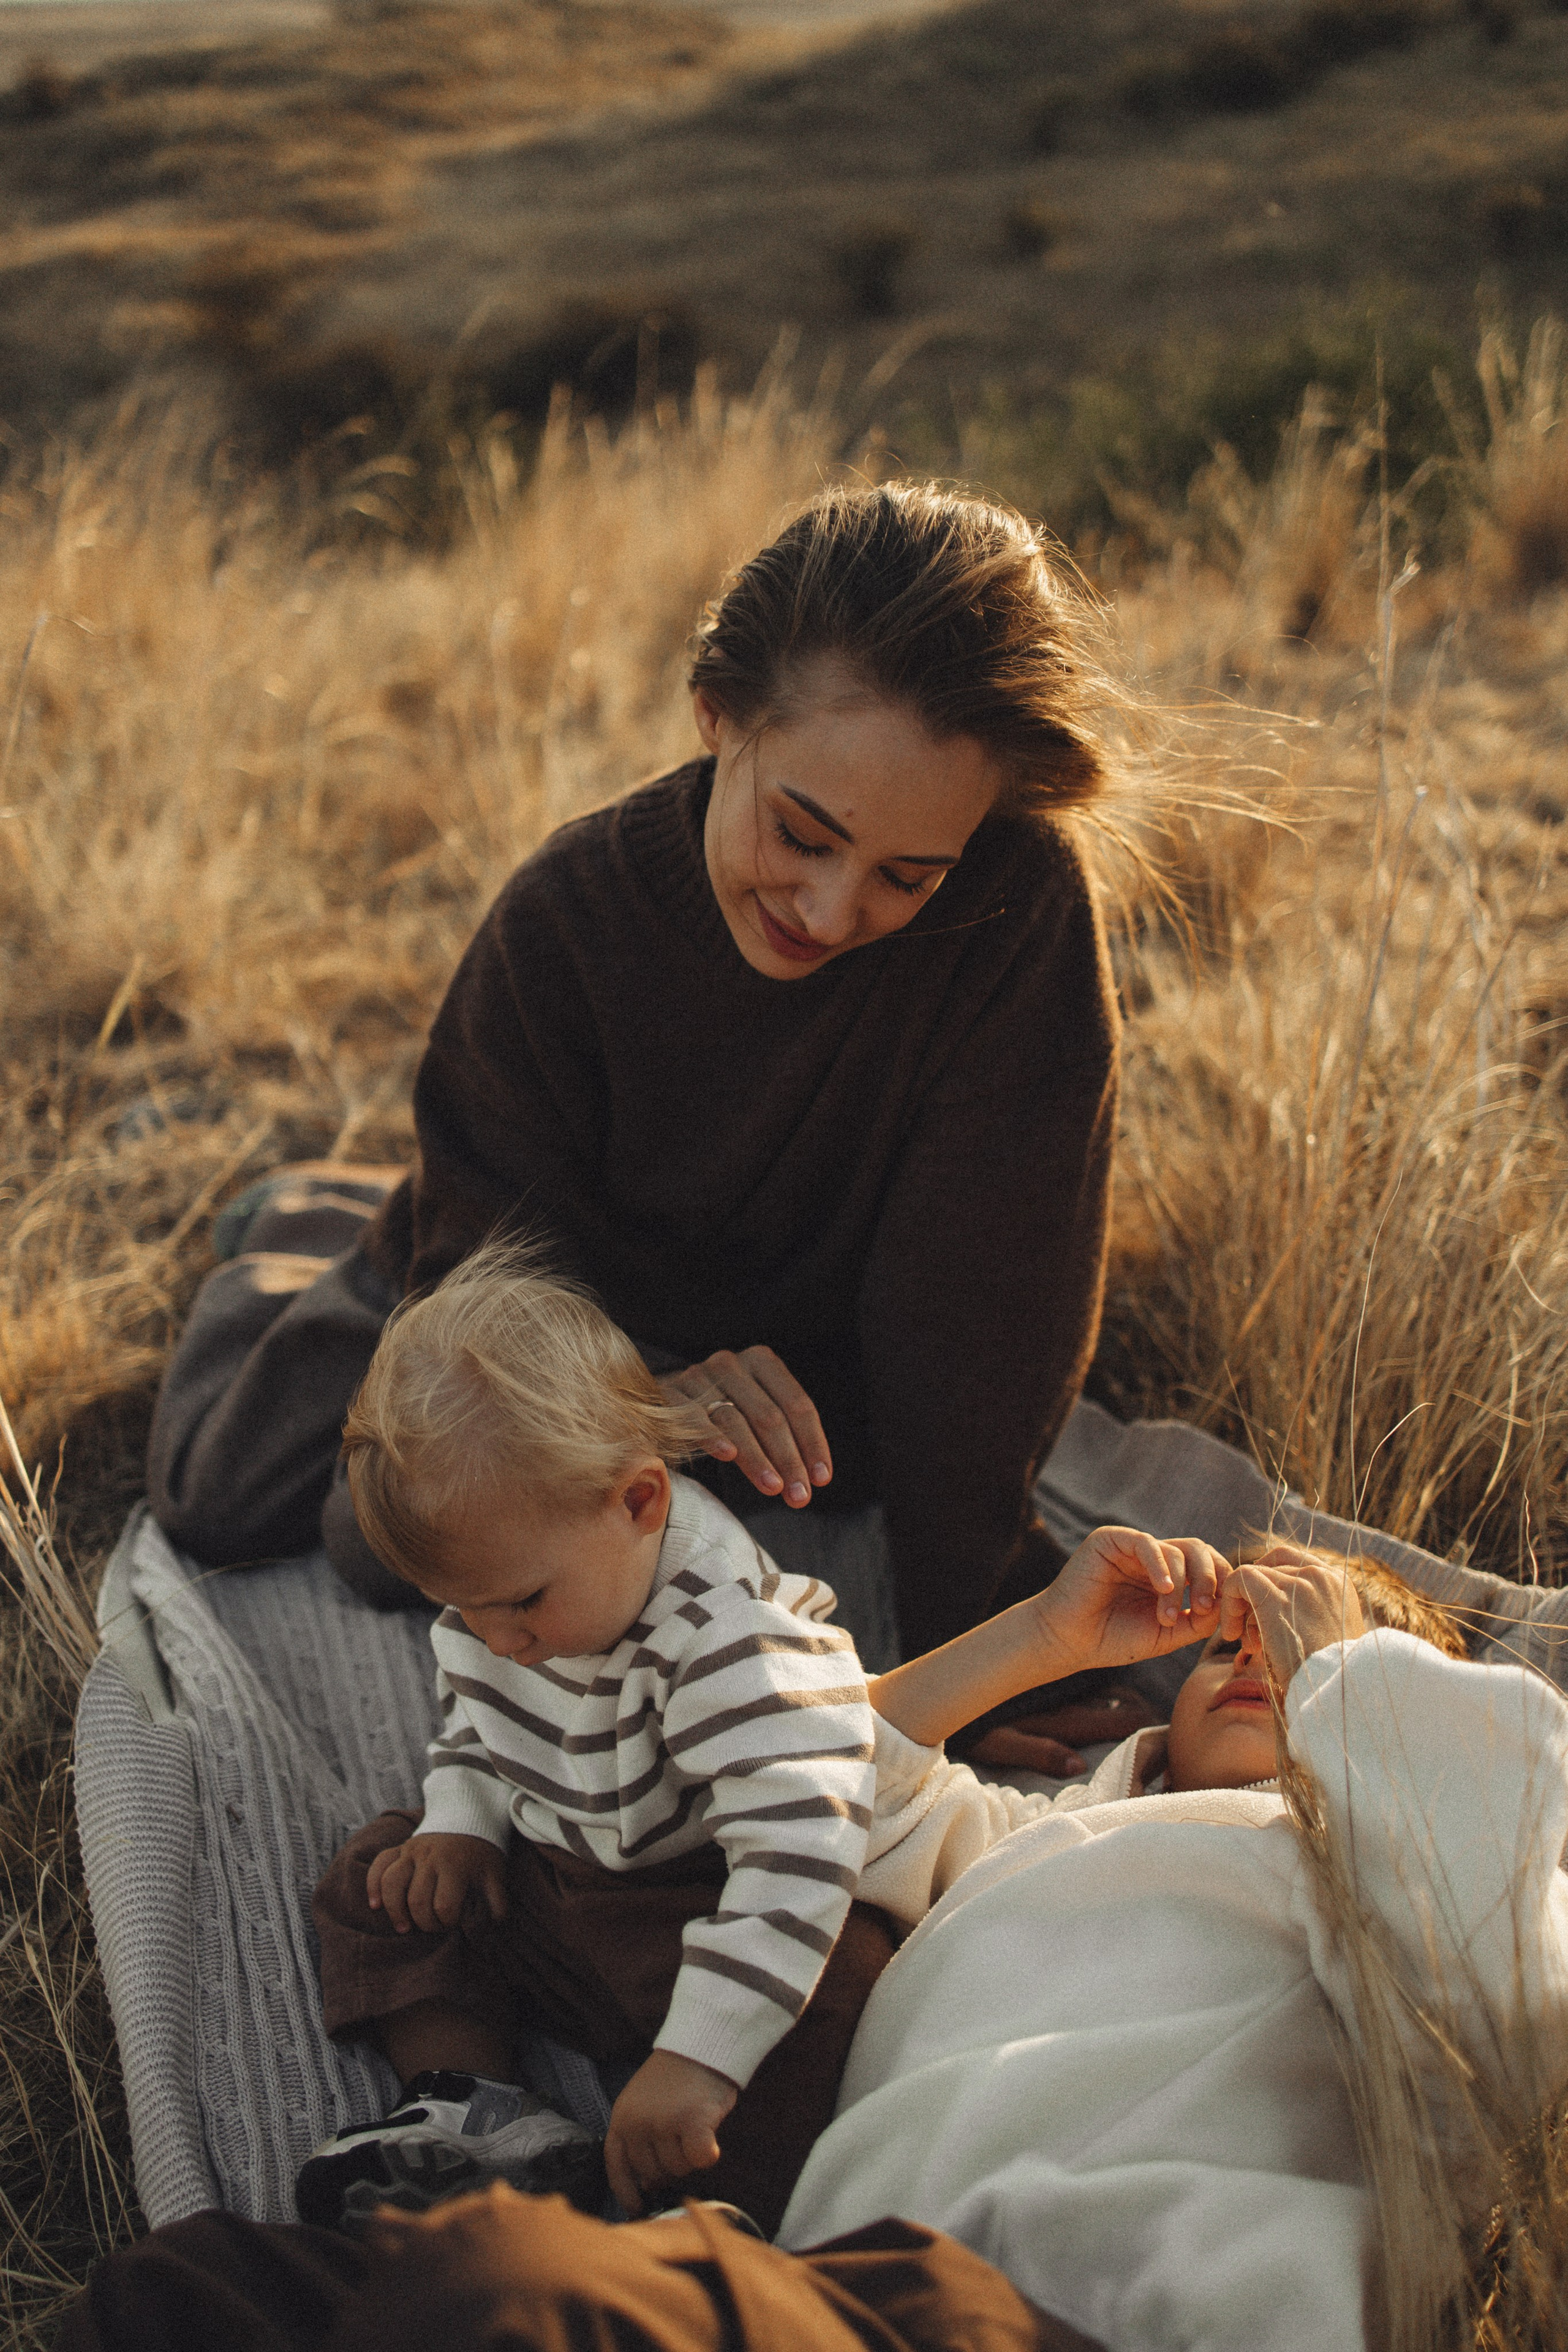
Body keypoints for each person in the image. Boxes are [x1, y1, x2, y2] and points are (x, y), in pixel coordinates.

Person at [145, 483, 1127, 1761]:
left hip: (801, 1349)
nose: (828, 913)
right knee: (323, 1525)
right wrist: (631, 1404)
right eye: (801, 833)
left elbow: (986, 1305)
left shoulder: (1020, 911)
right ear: (716, 713)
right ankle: (303, 1228)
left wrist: (978, 1642)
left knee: (814, 1498)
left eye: (903, 874)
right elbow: (487, 1323)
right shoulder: (563, 923)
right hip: (539, 1295)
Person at [777, 1536, 1568, 2352]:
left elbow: (1503, 2009)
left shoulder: (1389, 1883)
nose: (1256, 1656)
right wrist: (1042, 1635)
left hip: (1138, 2305)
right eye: (1228, 1644)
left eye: (1303, 1641)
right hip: (843, 2275)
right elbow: (811, 1795)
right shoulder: (1044, 1828)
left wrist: (1356, 1687)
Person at [297, 1242, 894, 2241]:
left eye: (521, 1603)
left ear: (640, 1500)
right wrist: (463, 1826)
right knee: (385, 1871)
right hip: (570, 1881)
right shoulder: (514, 1600)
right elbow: (484, 1722)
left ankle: (711, 2219)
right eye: (460, 1610)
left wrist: (700, 2057)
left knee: (840, 1978)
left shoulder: (729, 1637)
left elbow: (802, 1847)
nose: (496, 1640)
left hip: (706, 1898)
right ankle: (478, 2109)